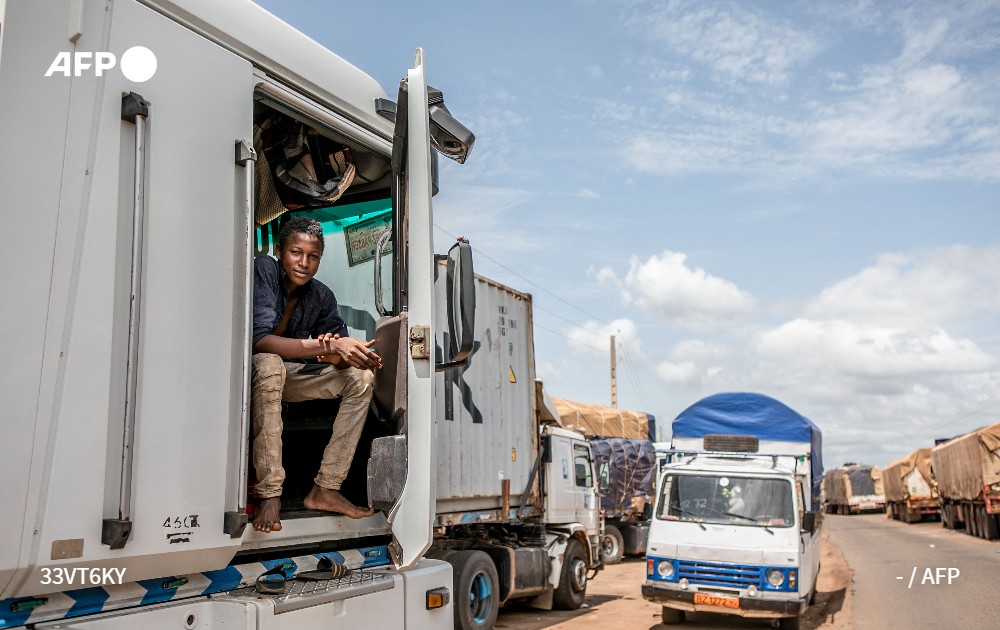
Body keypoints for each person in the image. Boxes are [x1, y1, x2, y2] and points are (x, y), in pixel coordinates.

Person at [250, 216, 382, 533]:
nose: (304, 263)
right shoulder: (263, 270)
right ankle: (270, 493)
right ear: (280, 251)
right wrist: (322, 347)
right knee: (268, 363)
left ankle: (325, 488)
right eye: (296, 253)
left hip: (289, 377)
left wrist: (347, 353)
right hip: (247, 374)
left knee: (359, 379)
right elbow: (259, 340)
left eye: (313, 257)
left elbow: (332, 355)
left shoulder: (322, 296)